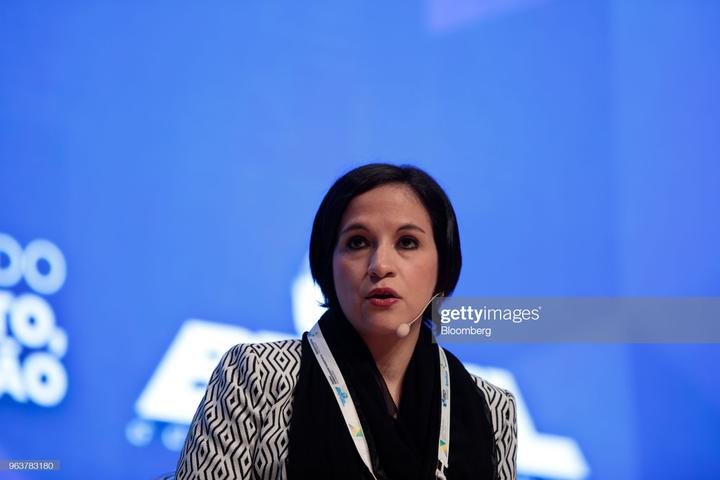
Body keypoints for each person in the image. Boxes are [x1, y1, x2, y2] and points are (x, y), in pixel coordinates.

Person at [174, 163, 517, 479]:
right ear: (328, 263)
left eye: (407, 242)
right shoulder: (256, 374)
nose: (380, 265)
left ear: (443, 265)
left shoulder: (492, 407)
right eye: (357, 242)